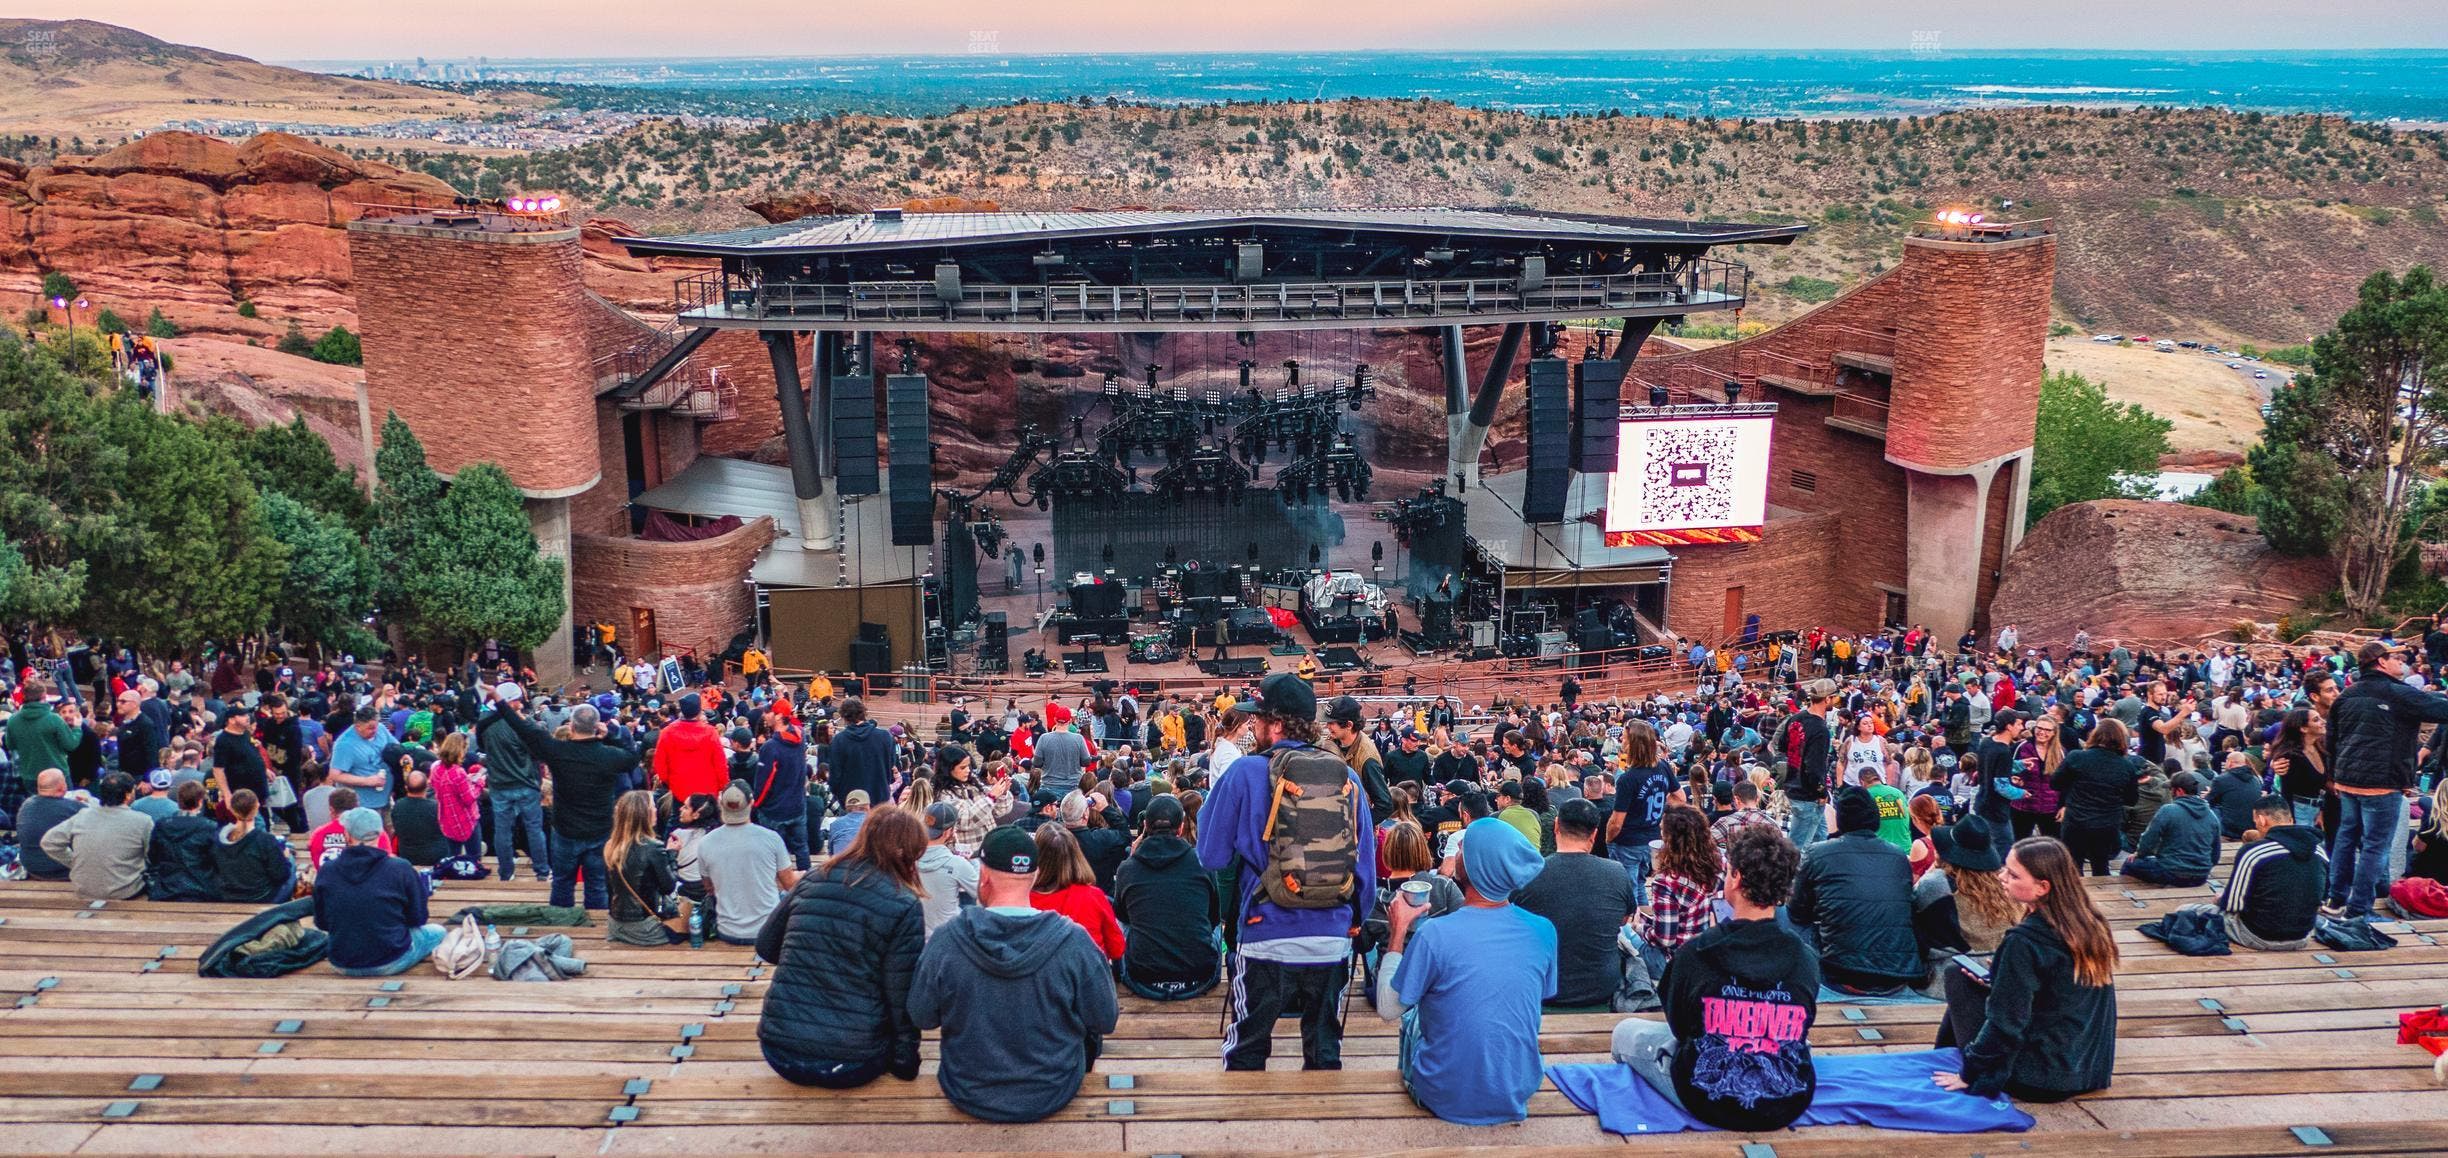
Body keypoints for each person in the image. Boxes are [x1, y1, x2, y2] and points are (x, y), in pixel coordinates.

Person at [1197, 671, 1378, 1071]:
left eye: (1257, 718)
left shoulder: (1244, 773)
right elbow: (1365, 865)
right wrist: (1353, 923)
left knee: (1245, 1051)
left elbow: (1209, 855)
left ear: (1275, 724)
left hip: (1266, 933)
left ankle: (1244, 1130)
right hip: (1332, 937)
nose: (1252, 726)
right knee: (1325, 1052)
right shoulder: (1345, 777)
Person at [1611, 824, 1818, 1131]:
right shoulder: (1805, 958)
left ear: (1735, 877)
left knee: (1625, 1031)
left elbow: (1679, 1027)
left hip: (1705, 1096)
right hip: (1786, 1101)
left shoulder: (1696, 953)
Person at [909, 825, 1121, 1123]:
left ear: (983, 876)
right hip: (1053, 1088)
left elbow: (922, 1015)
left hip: (968, 1089)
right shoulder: (1074, 941)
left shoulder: (947, 940)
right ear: (1033, 876)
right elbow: (1104, 1019)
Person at [1375, 817, 1557, 1125]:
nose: (1457, 849)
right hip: (1519, 1086)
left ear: (1477, 867)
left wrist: (1398, 930)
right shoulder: (1543, 930)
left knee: (1411, 1014)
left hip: (1442, 1093)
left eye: (1464, 848)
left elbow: (1387, 1007)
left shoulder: (1435, 934)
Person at [1933, 838, 2118, 1102]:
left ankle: (1944, 1058)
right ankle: (1944, 1054)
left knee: (1956, 977)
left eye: (2013, 874)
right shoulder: (2090, 924)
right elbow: (2061, 995)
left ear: (2043, 887)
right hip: (2089, 1070)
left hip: (2038, 1079)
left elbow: (2006, 1024)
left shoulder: (2023, 941)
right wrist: (2001, 980)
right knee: (1969, 978)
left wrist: (1971, 1074)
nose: (2001, 877)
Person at [756, 805, 928, 1088]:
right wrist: (905, 1061)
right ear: (908, 853)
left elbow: (766, 945)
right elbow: (901, 994)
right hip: (851, 1061)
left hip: (779, 1050)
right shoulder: (904, 903)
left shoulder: (814, 877)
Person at [2326, 641, 2448, 918]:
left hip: (2347, 781)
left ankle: (2335, 900)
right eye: (2396, 657)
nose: (2402, 661)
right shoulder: (2398, 693)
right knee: (2375, 846)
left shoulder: (2346, 694)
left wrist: (2334, 776)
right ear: (2380, 662)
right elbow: (2442, 711)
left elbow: (2332, 739)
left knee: (2346, 839)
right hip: (2382, 782)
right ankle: (2358, 908)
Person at [500, 701, 638, 912]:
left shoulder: (558, 751)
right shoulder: (609, 756)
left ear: (571, 727)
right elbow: (632, 758)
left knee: (562, 883)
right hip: (600, 831)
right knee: (597, 886)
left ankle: (561, 926)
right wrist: (610, 735)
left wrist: (500, 702)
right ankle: (596, 928)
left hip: (565, 831)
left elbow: (528, 731)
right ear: (596, 727)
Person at [1787, 787, 1922, 994]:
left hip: (1843, 970)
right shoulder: (1898, 856)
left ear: (1841, 820)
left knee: (1783, 917)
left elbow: (1797, 913)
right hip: (1899, 970)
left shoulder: (1818, 853)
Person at [1513, 798, 1639, 1009]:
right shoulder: (1616, 872)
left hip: (1542, 989)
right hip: (1601, 989)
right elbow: (1623, 920)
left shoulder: (1528, 873)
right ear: (1594, 834)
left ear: (1556, 827)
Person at [2178, 795, 2326, 951]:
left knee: (2185, 910)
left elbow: (2232, 905)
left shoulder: (2254, 852)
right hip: (2302, 936)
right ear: (2290, 820)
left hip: (2258, 935)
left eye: (2255, 821)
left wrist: (2221, 899)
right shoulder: (2319, 852)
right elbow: (2321, 897)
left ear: (2262, 820)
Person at [314, 808, 446, 977]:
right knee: (438, 931)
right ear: (380, 833)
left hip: (341, 962)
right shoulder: (400, 868)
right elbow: (418, 918)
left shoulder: (327, 870)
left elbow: (322, 922)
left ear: (347, 835)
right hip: (391, 960)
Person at [1113, 795, 1222, 999]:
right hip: (1198, 977)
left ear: (1145, 826)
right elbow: (1214, 917)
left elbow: (1123, 916)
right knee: (1215, 926)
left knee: (1122, 921)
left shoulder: (1128, 868)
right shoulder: (1202, 863)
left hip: (1143, 978)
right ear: (1180, 828)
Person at [699, 782, 800, 946]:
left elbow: (709, 888)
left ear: (720, 803)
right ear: (751, 803)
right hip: (766, 931)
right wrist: (805, 876)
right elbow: (789, 884)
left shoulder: (705, 842)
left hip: (727, 930)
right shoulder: (771, 838)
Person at [1629, 805, 1723, 976]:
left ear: (1671, 838)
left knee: (1624, 936)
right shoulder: (1720, 861)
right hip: (1709, 950)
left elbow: (1665, 939)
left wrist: (1638, 927)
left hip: (1674, 961)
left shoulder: (1667, 881)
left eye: (1663, 831)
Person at [1912, 814, 2017, 959]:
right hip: (1999, 960)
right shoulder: (2003, 883)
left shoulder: (1937, 883)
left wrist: (1934, 866)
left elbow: (1913, 901)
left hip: (1954, 966)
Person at [2050, 718, 2143, 876]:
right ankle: (2103, 897)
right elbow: (2131, 799)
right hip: (2106, 824)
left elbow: (2055, 783)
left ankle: (2074, 898)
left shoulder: (2076, 757)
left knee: (2073, 865)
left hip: (2076, 821)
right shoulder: (2126, 766)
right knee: (2101, 865)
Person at [41, 772, 154, 900]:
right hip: (125, 891)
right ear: (128, 795)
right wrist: (74, 861)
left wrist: (74, 862)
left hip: (84, 889)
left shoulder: (83, 815)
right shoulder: (143, 821)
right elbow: (152, 857)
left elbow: (49, 841)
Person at [478, 685, 550, 882]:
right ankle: (542, 872)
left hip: (499, 784)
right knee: (534, 829)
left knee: (502, 831)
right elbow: (538, 752)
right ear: (511, 701)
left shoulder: (485, 724)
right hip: (526, 783)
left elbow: (483, 748)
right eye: (518, 699)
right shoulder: (521, 724)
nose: (521, 703)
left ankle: (506, 872)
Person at [1029, 824, 1126, 960]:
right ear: (1076, 854)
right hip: (1087, 976)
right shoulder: (1093, 896)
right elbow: (1117, 949)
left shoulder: (1024, 900)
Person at [1607, 720, 1675, 901]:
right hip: (1652, 838)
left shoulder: (1628, 778)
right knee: (1639, 886)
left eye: (1624, 737)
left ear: (1633, 743)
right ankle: (1643, 922)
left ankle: (1633, 926)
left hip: (1629, 841)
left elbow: (1616, 821)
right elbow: (1680, 798)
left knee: (1628, 892)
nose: (1621, 740)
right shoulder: (1663, 766)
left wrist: (1608, 839)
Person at [605, 790, 683, 947]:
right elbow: (668, 887)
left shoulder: (611, 846)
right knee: (691, 921)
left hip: (615, 925)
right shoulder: (653, 847)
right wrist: (672, 856)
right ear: (644, 814)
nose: (656, 810)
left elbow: (611, 889)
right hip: (645, 929)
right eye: (652, 807)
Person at [2121, 771, 2220, 887]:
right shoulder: (2212, 815)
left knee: (2129, 863)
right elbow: (2215, 855)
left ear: (2179, 791)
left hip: (2171, 872)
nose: (2170, 792)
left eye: (2171, 789)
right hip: (2201, 876)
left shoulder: (2168, 810)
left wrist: (2139, 854)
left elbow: (2148, 840)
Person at [209, 789, 296, 903]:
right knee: (291, 862)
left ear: (232, 810)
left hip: (228, 896)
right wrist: (285, 859)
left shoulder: (217, 839)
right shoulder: (265, 840)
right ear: (257, 807)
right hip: (263, 897)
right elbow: (281, 876)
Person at [1781, 678, 1836, 845]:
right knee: (1800, 848)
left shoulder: (1795, 719)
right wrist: (1821, 792)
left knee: (1820, 840)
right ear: (1827, 699)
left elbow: (1782, 745)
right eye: (1834, 698)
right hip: (1808, 794)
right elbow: (1813, 767)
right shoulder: (1820, 730)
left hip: (1793, 785)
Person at [754, 719, 814, 872]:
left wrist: (757, 804)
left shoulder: (770, 747)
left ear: (778, 716)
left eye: (769, 712)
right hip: (797, 805)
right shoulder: (801, 739)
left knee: (774, 852)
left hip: (775, 811)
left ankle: (778, 888)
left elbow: (764, 781)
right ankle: (805, 881)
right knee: (801, 848)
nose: (765, 716)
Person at [146, 780, 222, 902]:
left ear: (179, 801)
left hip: (166, 889)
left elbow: (153, 857)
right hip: (201, 890)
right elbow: (217, 860)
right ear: (200, 802)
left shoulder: (162, 825)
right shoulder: (209, 828)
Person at [915, 801, 980, 936]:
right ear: (949, 831)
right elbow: (983, 894)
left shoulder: (907, 859)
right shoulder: (957, 864)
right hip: (947, 938)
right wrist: (973, 862)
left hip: (915, 935)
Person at [652, 693, 730, 800]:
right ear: (699, 712)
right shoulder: (711, 732)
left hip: (679, 790)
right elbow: (720, 764)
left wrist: (670, 782)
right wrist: (722, 785)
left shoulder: (667, 732)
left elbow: (660, 763)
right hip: (708, 791)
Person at [14, 768, 84, 881]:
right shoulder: (75, 807)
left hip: (31, 867)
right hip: (64, 870)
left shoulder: (26, 805)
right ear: (62, 787)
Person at [389, 769, 451, 867]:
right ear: (426, 788)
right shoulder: (436, 807)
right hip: (436, 857)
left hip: (408, 857)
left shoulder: (398, 806)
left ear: (406, 787)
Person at [2205, 751, 2264, 841]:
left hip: (2230, 830)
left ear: (2230, 762)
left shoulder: (2221, 780)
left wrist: (2209, 793)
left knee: (2211, 808)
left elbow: (2208, 802)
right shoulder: (2255, 780)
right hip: (2252, 826)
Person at [827, 790, 872, 855]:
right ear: (868, 806)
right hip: (867, 864)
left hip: (839, 863)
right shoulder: (875, 823)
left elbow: (831, 853)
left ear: (846, 807)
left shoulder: (835, 824)